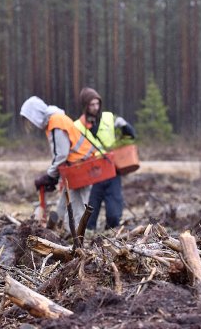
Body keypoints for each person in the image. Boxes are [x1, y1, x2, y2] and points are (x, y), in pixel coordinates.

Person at [20, 96, 96, 231]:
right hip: (75, 168)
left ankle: (75, 245)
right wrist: (54, 177)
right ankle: (59, 235)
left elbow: (61, 154)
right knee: (61, 210)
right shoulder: (55, 121)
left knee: (75, 213)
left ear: (35, 114)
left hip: (81, 168)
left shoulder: (56, 122)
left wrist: (50, 176)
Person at [75, 87, 135, 232]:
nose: (96, 107)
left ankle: (112, 238)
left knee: (114, 216)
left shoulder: (109, 118)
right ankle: (88, 244)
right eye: (91, 104)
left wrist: (125, 126)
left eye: (97, 104)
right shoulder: (77, 126)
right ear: (85, 106)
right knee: (89, 219)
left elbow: (130, 136)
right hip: (93, 174)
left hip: (112, 171)